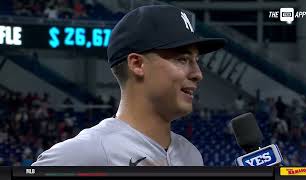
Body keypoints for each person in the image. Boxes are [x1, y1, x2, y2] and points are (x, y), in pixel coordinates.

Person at [32, 4, 225, 166]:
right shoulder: (85, 153)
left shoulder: (190, 155)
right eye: (182, 59)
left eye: (196, 60)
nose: (198, 74)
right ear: (137, 64)